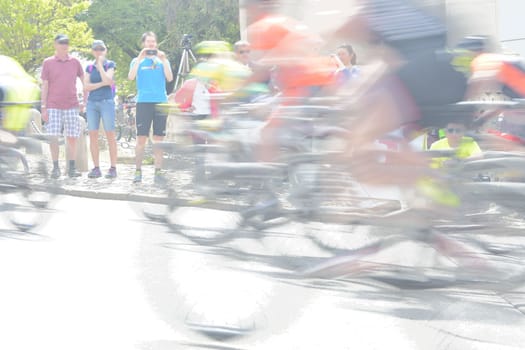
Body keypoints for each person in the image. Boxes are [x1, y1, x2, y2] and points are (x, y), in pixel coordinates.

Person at [128, 31, 173, 184]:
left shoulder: (161, 60)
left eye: (153, 42)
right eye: (148, 42)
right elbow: (131, 77)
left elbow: (169, 78)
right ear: (143, 44)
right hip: (143, 102)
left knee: (159, 139)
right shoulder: (136, 61)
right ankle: (138, 171)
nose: (151, 44)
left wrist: (164, 59)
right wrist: (140, 57)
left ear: (156, 43)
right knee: (141, 138)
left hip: (160, 101)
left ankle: (158, 172)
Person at [40, 34, 84, 178]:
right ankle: (55, 167)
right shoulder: (48, 62)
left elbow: (84, 81)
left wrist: (85, 100)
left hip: (72, 104)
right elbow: (45, 85)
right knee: (53, 137)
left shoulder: (75, 62)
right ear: (55, 44)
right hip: (53, 105)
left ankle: (71, 168)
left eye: (66, 42)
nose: (64, 45)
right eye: (61, 42)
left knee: (72, 137)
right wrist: (43, 107)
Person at [84, 39, 118, 179]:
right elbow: (86, 87)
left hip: (107, 102)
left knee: (110, 134)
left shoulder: (110, 64)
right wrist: (101, 83)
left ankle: (113, 167)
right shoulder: (89, 68)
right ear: (93, 51)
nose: (99, 52)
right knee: (93, 135)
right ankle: (96, 168)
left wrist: (100, 66)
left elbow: (109, 80)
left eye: (101, 49)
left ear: (105, 50)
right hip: (92, 103)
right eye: (96, 49)